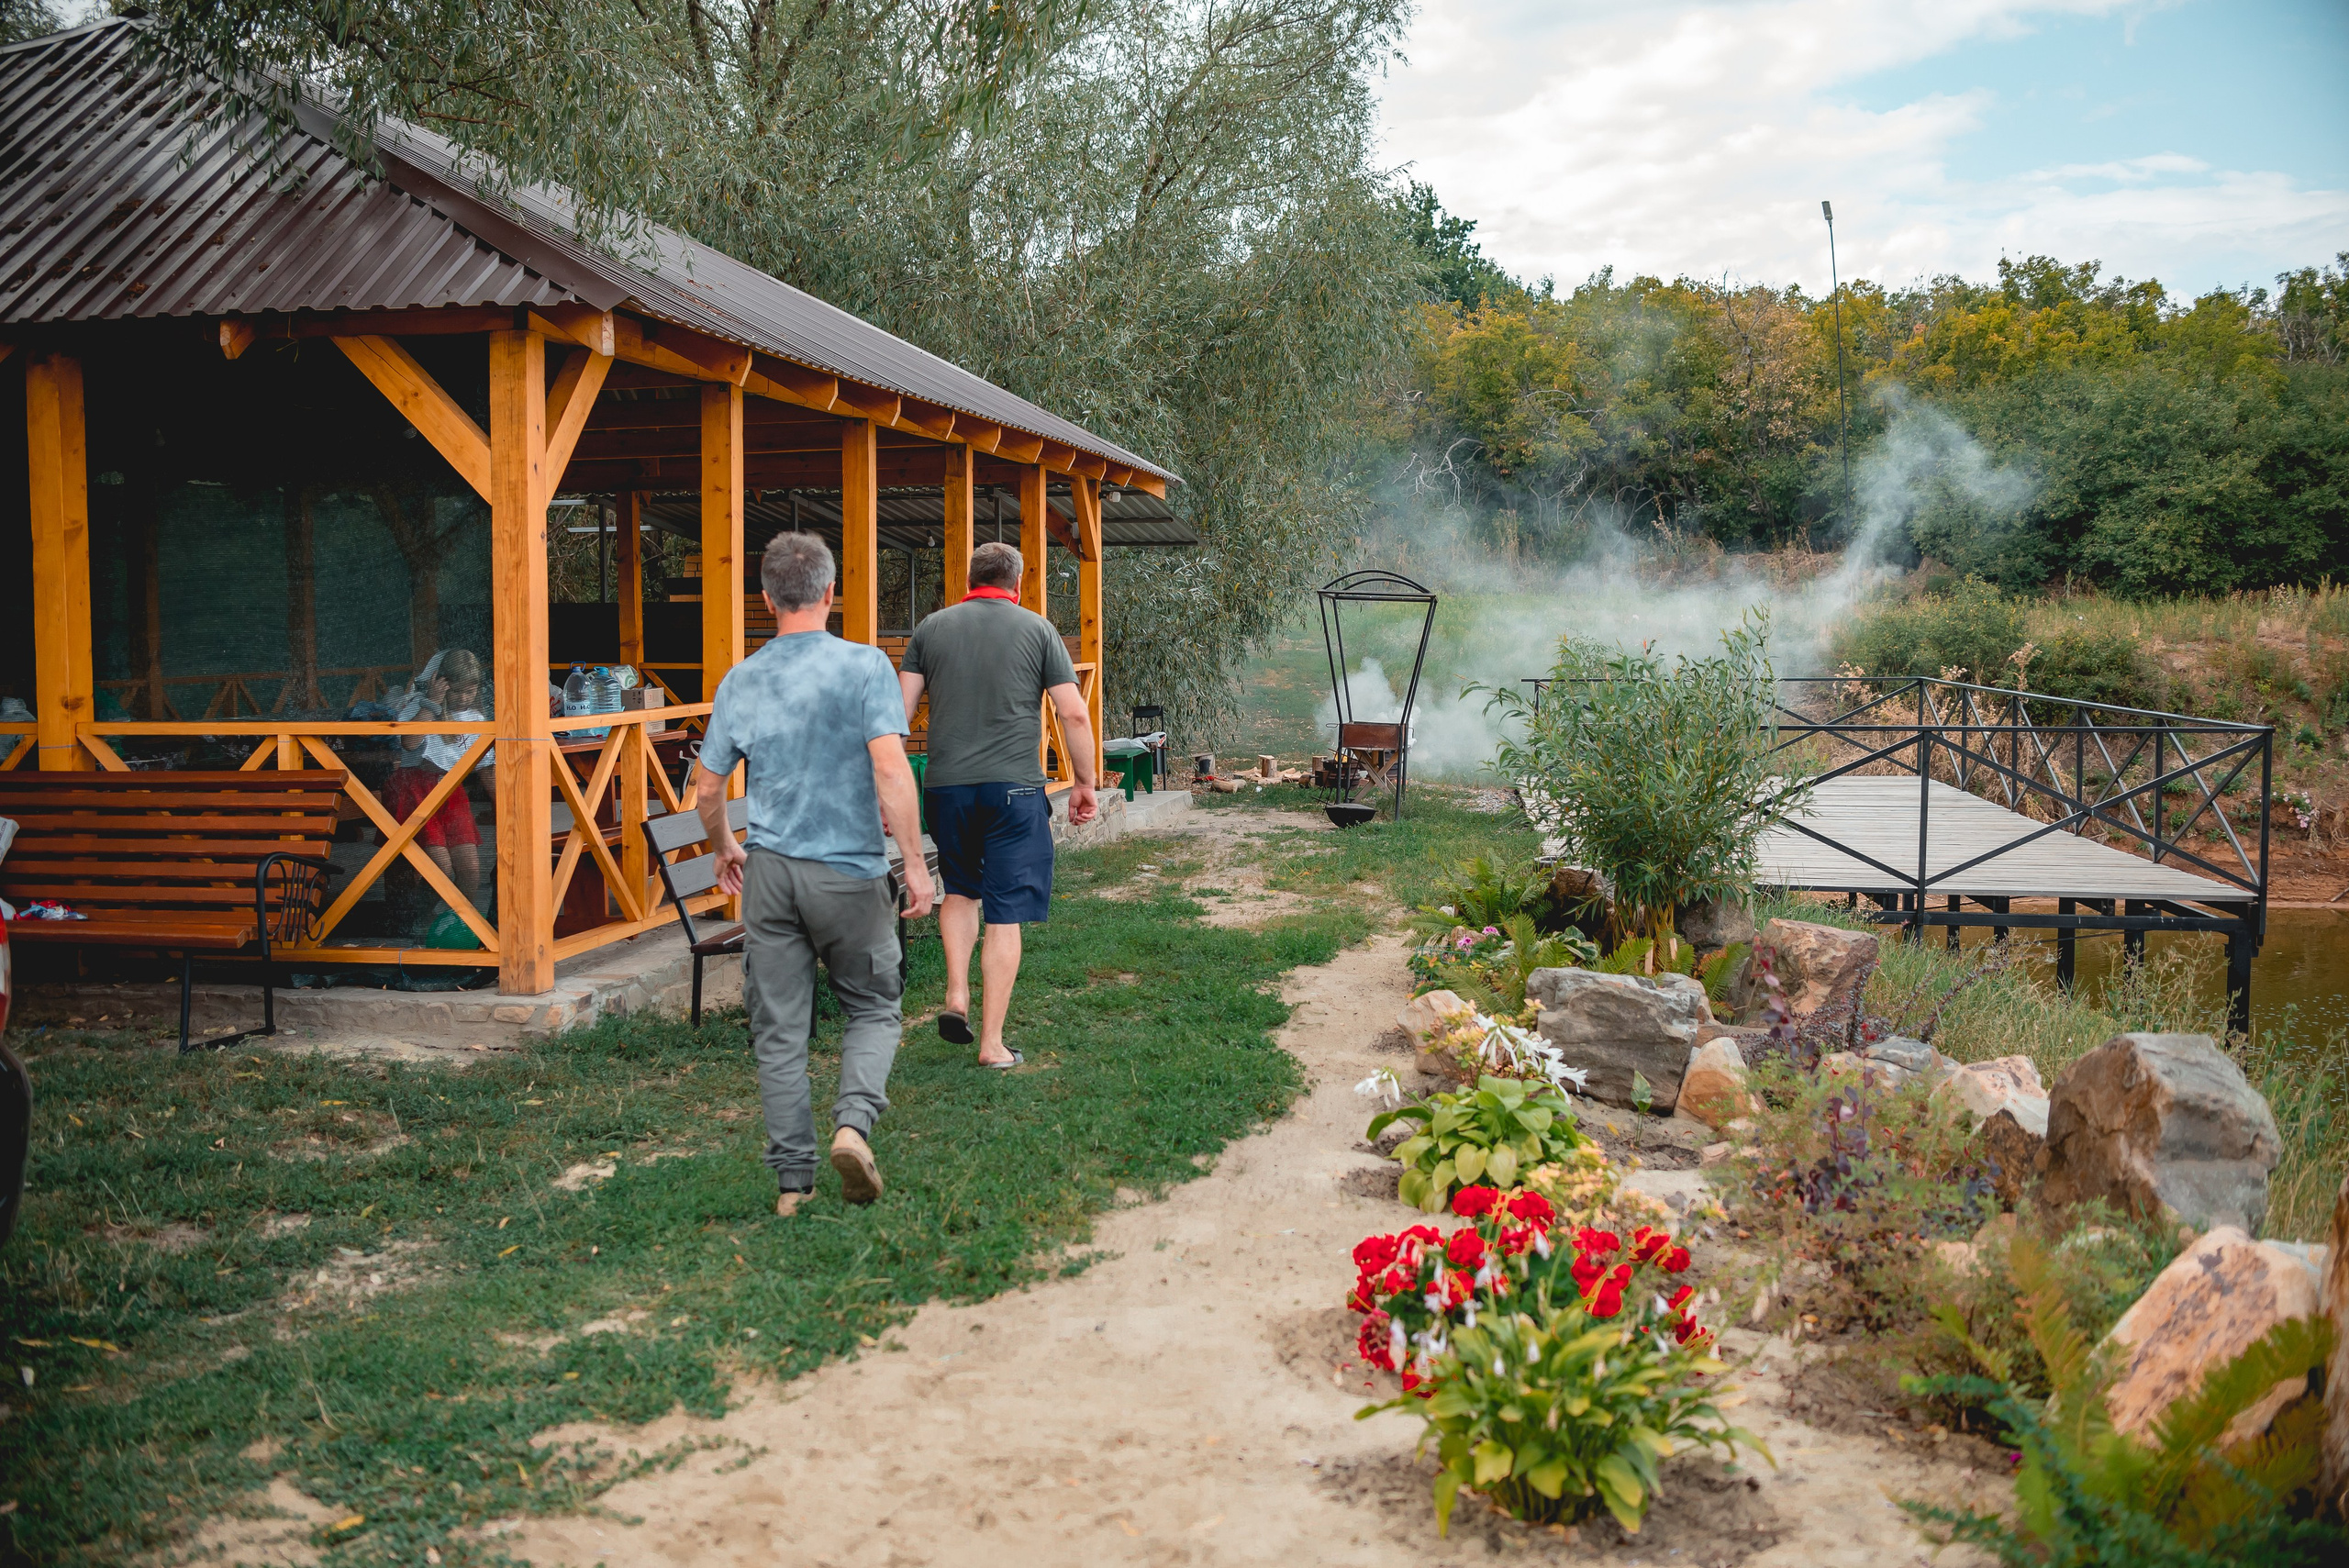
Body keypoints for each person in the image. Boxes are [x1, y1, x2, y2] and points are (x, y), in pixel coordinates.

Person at [699, 532, 936, 1218]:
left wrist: (723, 847)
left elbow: (709, 789)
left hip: (770, 872)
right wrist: (914, 865)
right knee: (872, 1005)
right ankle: (852, 1126)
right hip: (849, 873)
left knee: (778, 1030)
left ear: (768, 598)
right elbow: (891, 769)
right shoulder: (865, 668)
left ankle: (791, 1186)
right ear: (830, 594)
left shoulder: (741, 678)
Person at [897, 539, 1097, 1069]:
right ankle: (991, 1045)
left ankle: (957, 993)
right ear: (1017, 582)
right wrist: (1085, 781)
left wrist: (886, 782)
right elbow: (1074, 715)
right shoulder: (1037, 630)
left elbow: (898, 712)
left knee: (960, 889)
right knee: (1004, 913)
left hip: (946, 788)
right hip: (1013, 792)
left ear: (970, 579)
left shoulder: (930, 630)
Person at [390, 650, 492, 912]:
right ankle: (418, 917)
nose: (464, 698)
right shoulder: (422, 707)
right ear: (440, 683)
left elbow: (486, 767)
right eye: (457, 691)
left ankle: (456, 924)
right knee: (441, 870)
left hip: (452, 790)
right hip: (415, 789)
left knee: (470, 873)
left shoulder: (476, 718)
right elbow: (409, 742)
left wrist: (505, 806)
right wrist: (432, 703)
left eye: (470, 691)